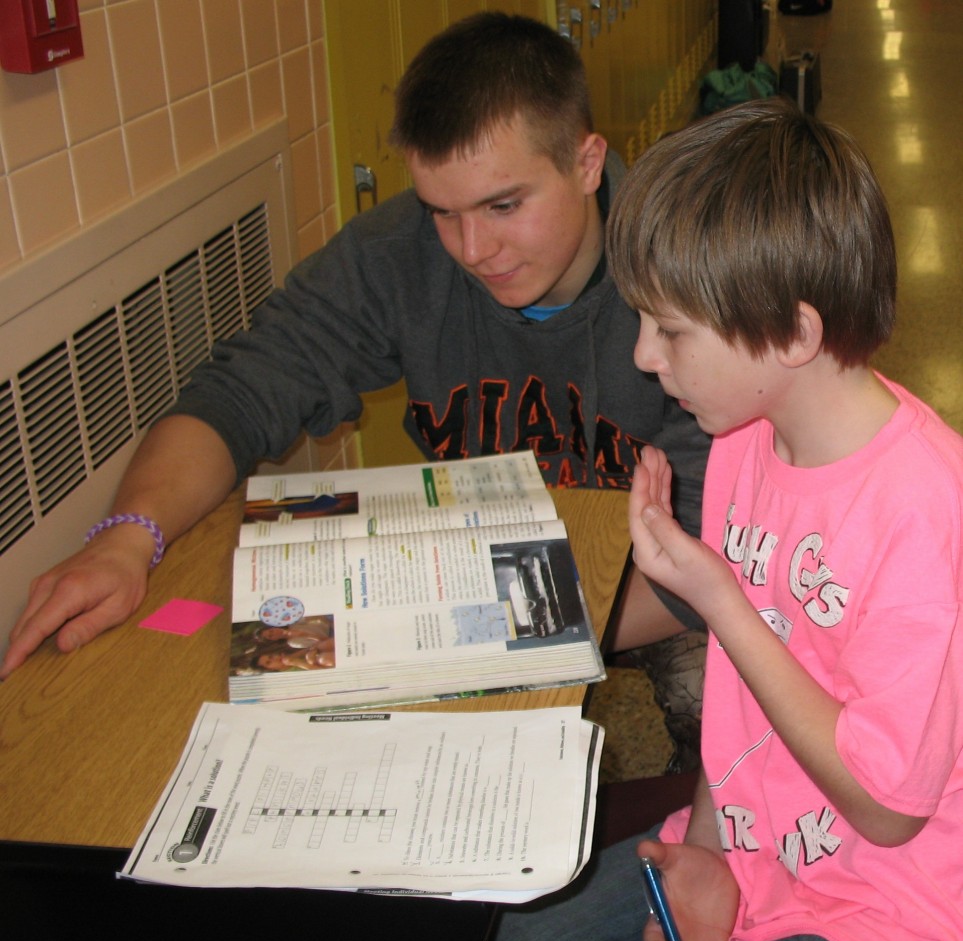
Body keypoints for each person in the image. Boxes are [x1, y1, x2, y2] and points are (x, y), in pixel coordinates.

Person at [1, 12, 711, 769]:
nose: (474, 250)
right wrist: (125, 537)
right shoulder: (396, 254)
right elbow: (241, 391)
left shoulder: (686, 275)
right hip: (484, 560)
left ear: (586, 162)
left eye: (504, 205)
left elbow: (725, 546)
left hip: (663, 578)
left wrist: (516, 643)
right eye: (443, 211)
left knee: (734, 729)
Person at [469, 98, 962, 941]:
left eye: (671, 329)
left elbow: (889, 811)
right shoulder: (746, 436)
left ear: (793, 335)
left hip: (896, 916)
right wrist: (704, 846)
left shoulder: (925, 511)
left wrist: (716, 596)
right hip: (757, 847)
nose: (645, 356)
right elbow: (741, 708)